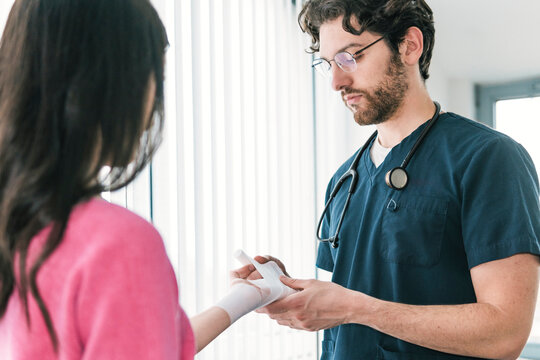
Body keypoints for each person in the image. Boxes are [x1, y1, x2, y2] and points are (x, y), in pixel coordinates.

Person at [248, 0, 540, 359]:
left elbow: (505, 333)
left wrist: (357, 308)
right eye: (328, 65)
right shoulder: (344, 179)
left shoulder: (488, 158)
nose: (337, 82)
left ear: (409, 46)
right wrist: (288, 291)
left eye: (350, 57)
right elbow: (345, 303)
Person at [0, 0, 272, 358]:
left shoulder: (19, 223)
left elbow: (144, 338)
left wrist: (249, 296)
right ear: (109, 83)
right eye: (153, 76)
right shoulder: (117, 244)